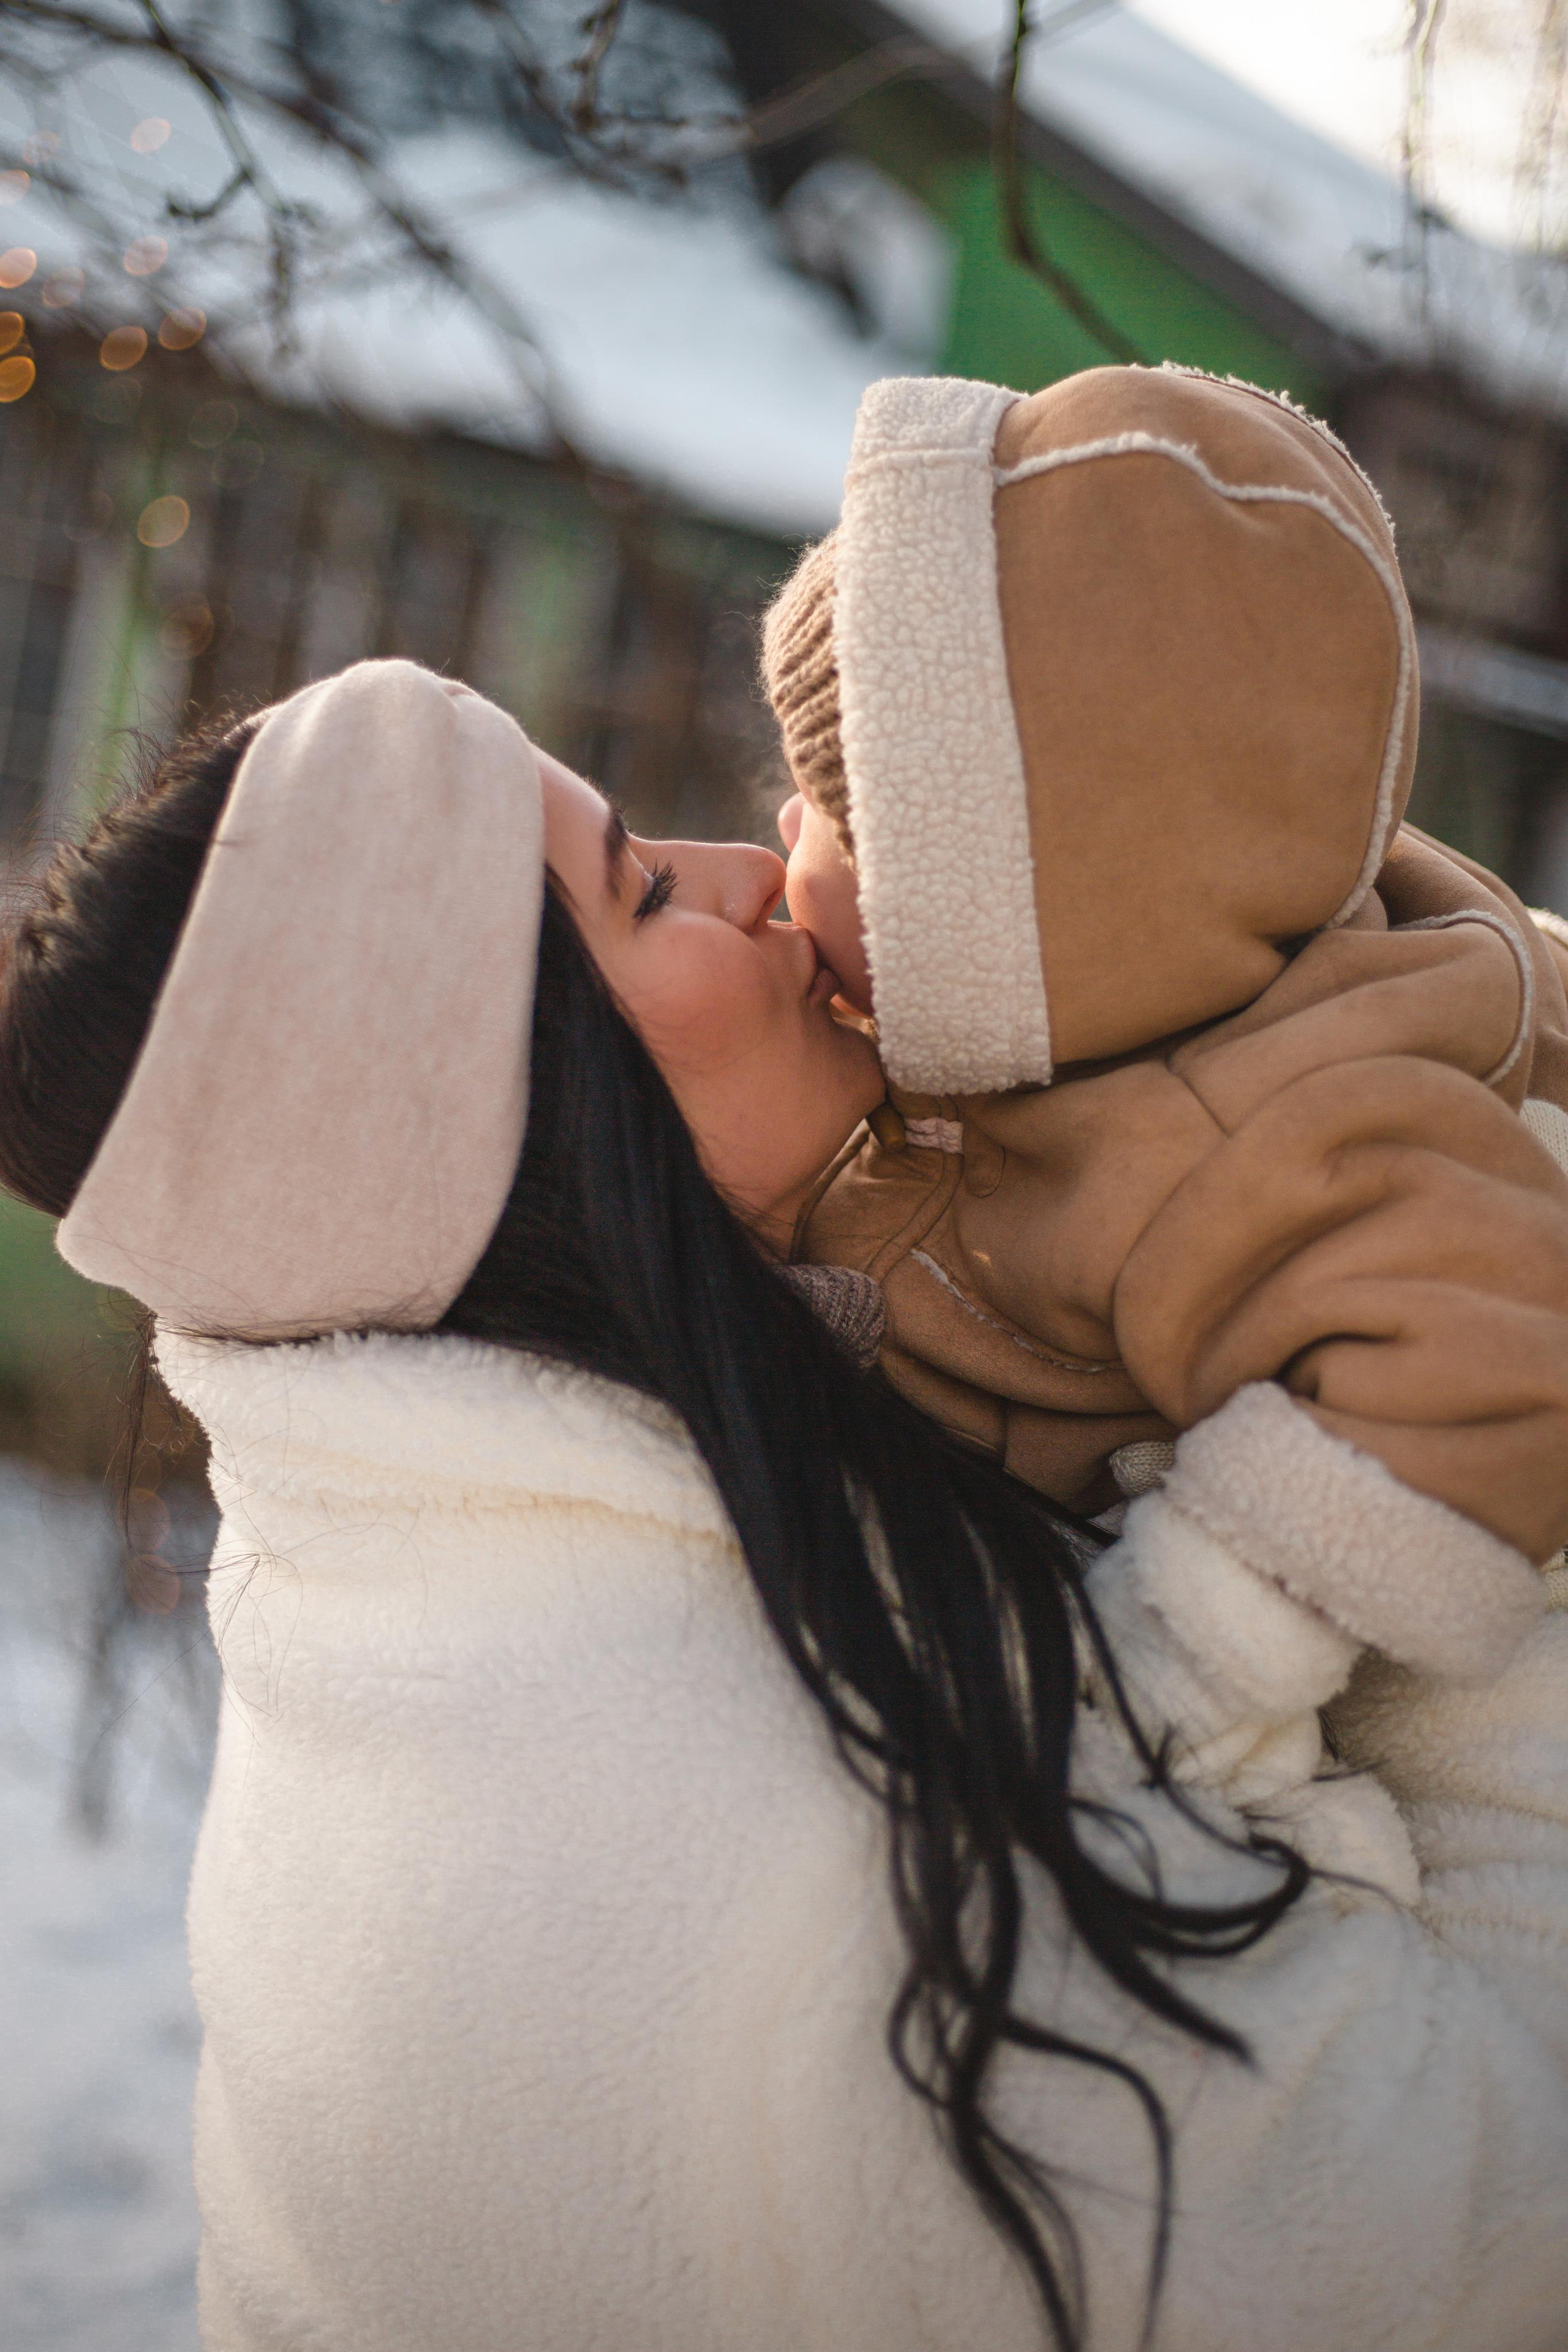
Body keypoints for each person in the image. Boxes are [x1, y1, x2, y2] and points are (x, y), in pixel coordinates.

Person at [6, 657, 1568, 2352]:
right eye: (647, 890)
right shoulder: (814, 1856)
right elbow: (1495, 2222)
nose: (755, 879)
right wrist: (1465, 1468)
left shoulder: (417, 1589)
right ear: (544, 1140)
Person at [764, 363, 1568, 1529]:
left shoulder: (1240, 1134)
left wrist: (1204, 1640)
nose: (781, 834)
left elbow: (1493, 1396)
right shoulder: (1164, 973)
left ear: (994, 899)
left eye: (832, 819)